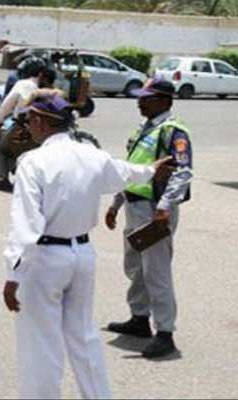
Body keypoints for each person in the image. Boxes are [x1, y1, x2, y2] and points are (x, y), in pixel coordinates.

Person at [1, 95, 176, 399]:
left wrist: (13, 275)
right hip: (82, 255)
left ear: (41, 122)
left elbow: (26, 227)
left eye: (29, 120)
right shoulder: (91, 154)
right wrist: (151, 170)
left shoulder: (33, 162)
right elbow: (123, 173)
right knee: (83, 337)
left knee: (41, 345)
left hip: (44, 259)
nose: (28, 127)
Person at [105, 78, 193, 359]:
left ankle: (165, 333)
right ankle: (139, 318)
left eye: (147, 97)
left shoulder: (174, 132)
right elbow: (133, 169)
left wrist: (165, 206)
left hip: (155, 209)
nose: (140, 101)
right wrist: (116, 203)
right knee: (135, 267)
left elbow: (183, 172)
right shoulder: (145, 129)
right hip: (135, 205)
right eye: (140, 97)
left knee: (156, 271)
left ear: (165, 101)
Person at [0, 59, 60, 190]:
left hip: (25, 127)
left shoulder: (22, 84)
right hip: (47, 129)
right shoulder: (47, 88)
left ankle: (0, 180)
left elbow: (7, 105)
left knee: (2, 150)